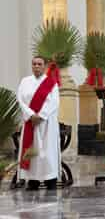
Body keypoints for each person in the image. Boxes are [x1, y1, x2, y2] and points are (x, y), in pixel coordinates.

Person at [17, 55, 60, 190]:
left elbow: (55, 102)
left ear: (45, 66)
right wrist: (31, 115)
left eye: (39, 64)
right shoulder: (25, 81)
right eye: (34, 64)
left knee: (48, 151)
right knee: (32, 151)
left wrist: (41, 115)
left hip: (46, 123)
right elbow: (20, 99)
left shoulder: (51, 83)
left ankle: (50, 179)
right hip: (31, 122)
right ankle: (33, 180)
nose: (36, 66)